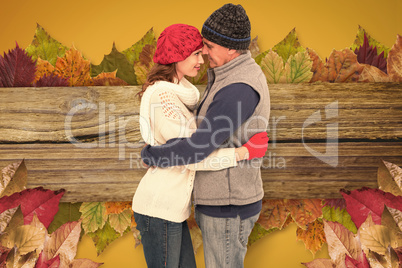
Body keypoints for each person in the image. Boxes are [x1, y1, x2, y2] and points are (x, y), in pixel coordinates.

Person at [140, 4, 270, 267]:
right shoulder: (224, 76)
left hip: (227, 206)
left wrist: (152, 155)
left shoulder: (237, 87)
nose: (204, 52)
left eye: (208, 46)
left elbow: (197, 148)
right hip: (214, 203)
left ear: (231, 48)